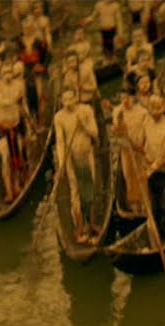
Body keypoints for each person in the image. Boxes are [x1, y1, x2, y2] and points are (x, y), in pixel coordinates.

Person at [53, 90, 100, 244]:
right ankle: (79, 228)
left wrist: (84, 125)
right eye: (65, 100)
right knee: (75, 192)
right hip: (71, 158)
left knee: (90, 187)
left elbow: (95, 133)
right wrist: (61, 164)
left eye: (70, 99)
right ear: (62, 101)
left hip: (87, 154)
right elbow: (60, 141)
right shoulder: (59, 117)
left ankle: (91, 223)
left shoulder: (86, 110)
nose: (68, 103)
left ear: (76, 98)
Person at [0, 62, 30, 203]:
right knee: (6, 158)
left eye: (9, 72)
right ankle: (8, 191)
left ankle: (17, 184)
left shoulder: (19, 85)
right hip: (2, 127)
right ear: (0, 74)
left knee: (18, 154)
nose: (7, 75)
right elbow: (2, 102)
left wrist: (28, 123)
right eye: (4, 72)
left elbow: (22, 103)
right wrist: (15, 98)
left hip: (16, 125)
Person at [141, 95, 165, 239]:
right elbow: (141, 144)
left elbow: (163, 155)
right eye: (152, 109)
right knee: (153, 207)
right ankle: (158, 234)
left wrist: (150, 170)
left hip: (163, 171)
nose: (154, 112)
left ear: (162, 109)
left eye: (157, 109)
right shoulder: (146, 122)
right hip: (149, 169)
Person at [109, 87, 149, 215]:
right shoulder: (117, 111)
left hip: (140, 149)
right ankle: (134, 206)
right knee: (129, 177)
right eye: (122, 98)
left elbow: (146, 131)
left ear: (133, 98)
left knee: (141, 177)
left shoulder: (142, 112)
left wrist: (141, 147)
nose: (125, 101)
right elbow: (115, 132)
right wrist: (118, 128)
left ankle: (145, 205)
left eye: (127, 98)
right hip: (126, 149)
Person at [16, 18, 49, 119]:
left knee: (39, 95)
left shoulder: (39, 41)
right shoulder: (19, 42)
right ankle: (30, 118)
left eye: (29, 28)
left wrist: (42, 66)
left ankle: (40, 117)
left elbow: (47, 56)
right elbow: (17, 57)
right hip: (25, 70)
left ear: (33, 28)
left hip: (37, 69)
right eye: (25, 28)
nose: (27, 30)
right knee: (25, 95)